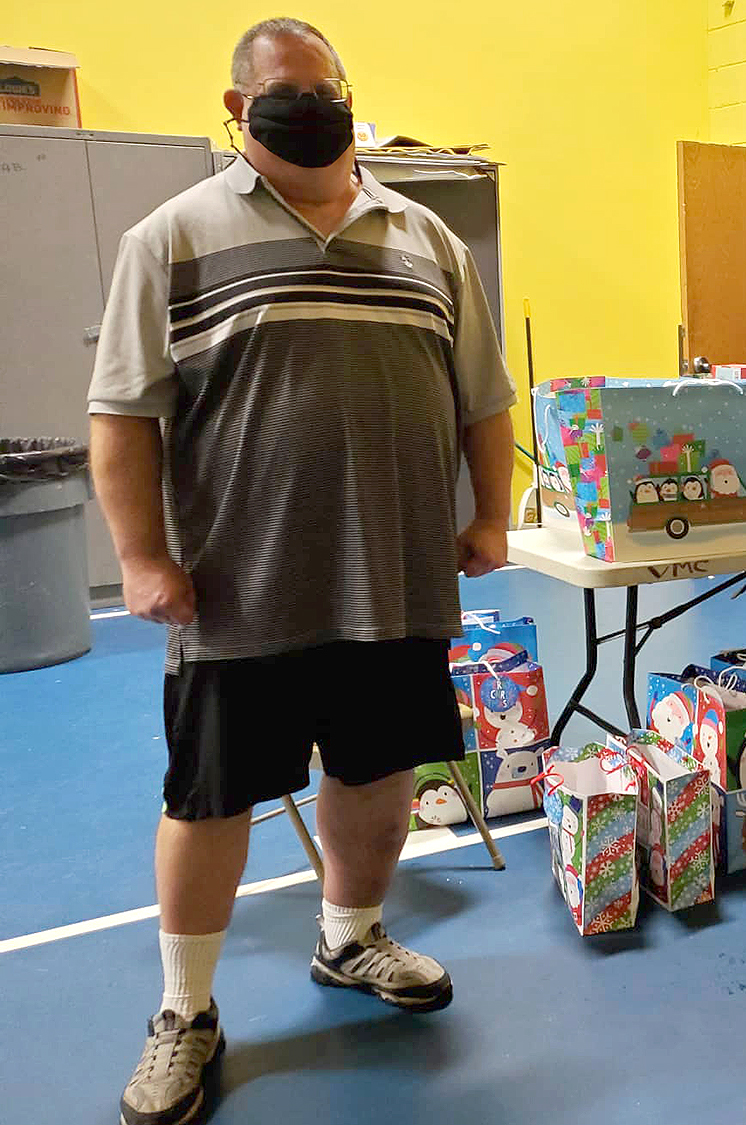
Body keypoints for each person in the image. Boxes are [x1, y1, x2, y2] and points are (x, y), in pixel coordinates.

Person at [87, 19, 515, 1125]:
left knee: (376, 775)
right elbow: (123, 415)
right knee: (211, 795)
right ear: (238, 109)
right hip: (240, 585)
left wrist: (493, 518)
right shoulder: (169, 238)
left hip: (400, 574)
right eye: (288, 89)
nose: (314, 102)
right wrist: (142, 558)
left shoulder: (428, 240)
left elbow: (484, 398)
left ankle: (351, 939)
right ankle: (186, 1011)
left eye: (329, 86)